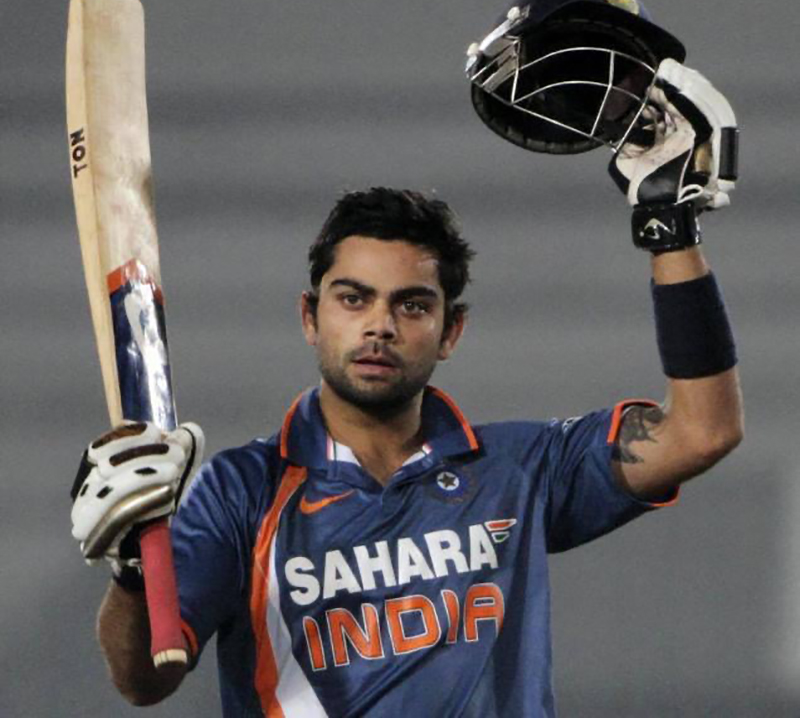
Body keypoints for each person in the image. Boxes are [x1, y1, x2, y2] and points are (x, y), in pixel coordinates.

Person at [70, 60, 743, 717]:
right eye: (353, 298)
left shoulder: (518, 471)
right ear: (310, 317)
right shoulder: (240, 492)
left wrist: (670, 229)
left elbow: (702, 431)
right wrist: (131, 574)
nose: (380, 325)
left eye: (412, 305)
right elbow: (144, 678)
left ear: (451, 331)